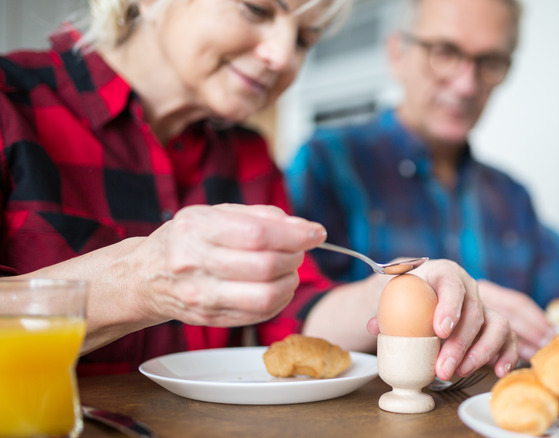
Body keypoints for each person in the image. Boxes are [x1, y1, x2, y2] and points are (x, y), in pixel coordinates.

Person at [0, 0, 519, 380]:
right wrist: (138, 279)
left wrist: (404, 286)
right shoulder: (11, 103)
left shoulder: (245, 155)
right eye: (256, 9)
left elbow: (297, 315)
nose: (281, 56)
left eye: (303, 39)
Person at [286, 0, 559, 360]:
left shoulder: (511, 197)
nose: (467, 85)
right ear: (396, 53)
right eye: (445, 52)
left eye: (489, 61)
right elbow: (286, 320)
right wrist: (451, 306)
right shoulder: (327, 164)